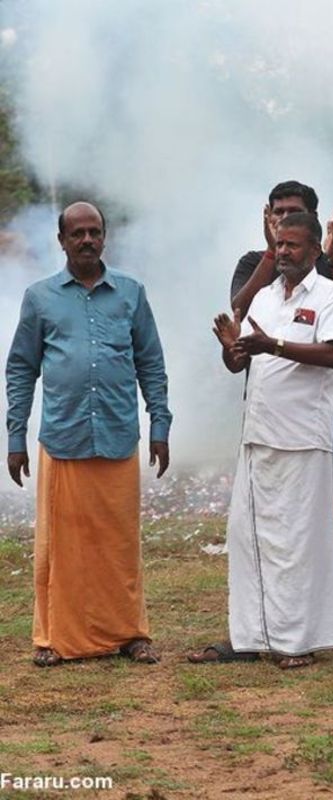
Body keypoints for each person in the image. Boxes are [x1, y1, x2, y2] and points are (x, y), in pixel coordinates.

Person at [6, 201, 172, 667]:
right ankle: (56, 639)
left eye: (94, 232)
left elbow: (151, 363)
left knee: (120, 544)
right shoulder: (41, 297)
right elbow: (21, 368)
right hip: (63, 436)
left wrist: (159, 423)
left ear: (104, 237)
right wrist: (16, 437)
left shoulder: (131, 294)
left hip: (119, 434)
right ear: (61, 241)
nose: (86, 240)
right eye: (76, 233)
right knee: (62, 547)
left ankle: (130, 634)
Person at [191, 212, 333, 669]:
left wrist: (274, 346)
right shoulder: (263, 297)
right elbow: (241, 364)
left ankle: (297, 642)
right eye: (279, 245)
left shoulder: (331, 295)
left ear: (315, 250)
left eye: (293, 245)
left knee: (298, 543)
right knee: (248, 539)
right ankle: (253, 635)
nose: (283, 252)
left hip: (304, 437)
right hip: (259, 434)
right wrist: (232, 348)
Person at [230, 180, 333, 488]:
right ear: (268, 217)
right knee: (263, 493)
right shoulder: (255, 261)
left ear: (312, 218)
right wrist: (270, 253)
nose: (283, 218)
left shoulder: (328, 262)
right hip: (265, 402)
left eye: (294, 211)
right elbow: (239, 310)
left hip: (315, 403)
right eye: (278, 212)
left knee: (312, 497)